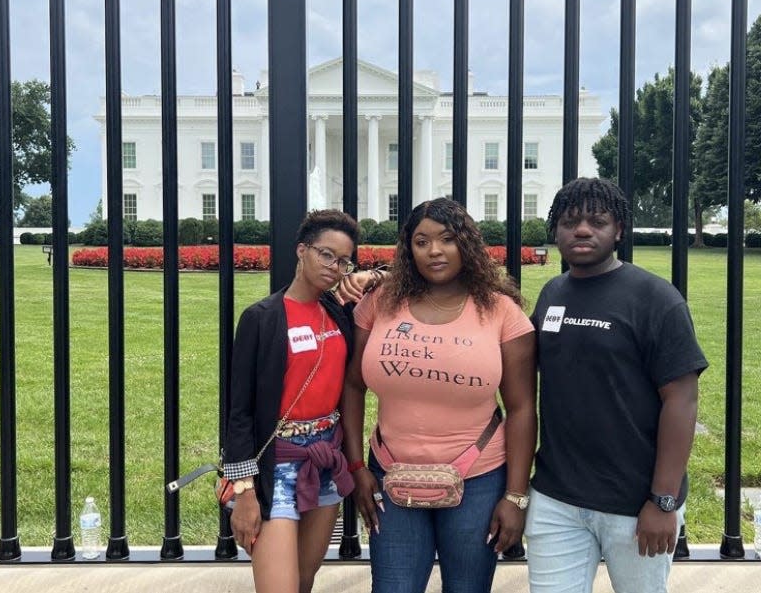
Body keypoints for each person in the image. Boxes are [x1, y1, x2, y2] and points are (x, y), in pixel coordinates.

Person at [341, 197, 537, 593]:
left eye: (447, 239)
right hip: (390, 474)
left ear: (467, 244)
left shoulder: (501, 312)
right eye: (421, 241)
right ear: (408, 249)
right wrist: (358, 467)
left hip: (478, 480)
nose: (434, 251)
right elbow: (352, 385)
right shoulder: (380, 302)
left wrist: (515, 496)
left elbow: (521, 409)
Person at [525, 177, 708, 593]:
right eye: (570, 221)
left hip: (636, 503)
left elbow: (681, 400)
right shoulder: (552, 294)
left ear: (619, 231)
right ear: (556, 230)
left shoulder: (656, 299)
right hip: (557, 498)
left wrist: (662, 500)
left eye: (597, 221)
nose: (583, 230)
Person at [223, 209, 363, 593]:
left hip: (325, 457)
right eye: (326, 254)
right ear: (302, 251)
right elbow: (238, 412)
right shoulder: (262, 318)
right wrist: (244, 491)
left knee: (303, 581)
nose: (335, 267)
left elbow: (404, 275)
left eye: (344, 260)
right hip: (277, 464)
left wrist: (373, 274)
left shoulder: (338, 312)